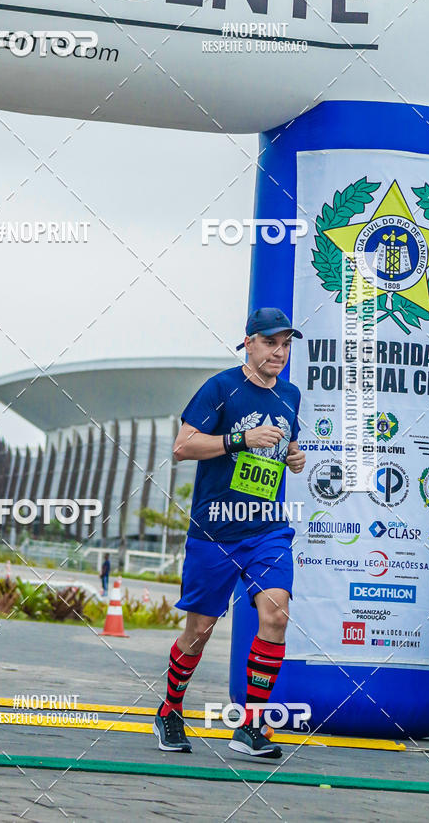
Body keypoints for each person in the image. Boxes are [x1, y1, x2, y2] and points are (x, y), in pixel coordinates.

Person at [153, 308, 306, 759]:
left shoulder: (290, 395)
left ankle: (252, 726)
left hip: (267, 530)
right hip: (215, 529)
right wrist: (238, 441)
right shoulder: (221, 388)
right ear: (249, 343)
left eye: (286, 345)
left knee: (275, 614)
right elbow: (182, 446)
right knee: (199, 631)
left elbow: (287, 442)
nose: (279, 352)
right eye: (271, 342)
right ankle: (170, 710)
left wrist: (294, 456)